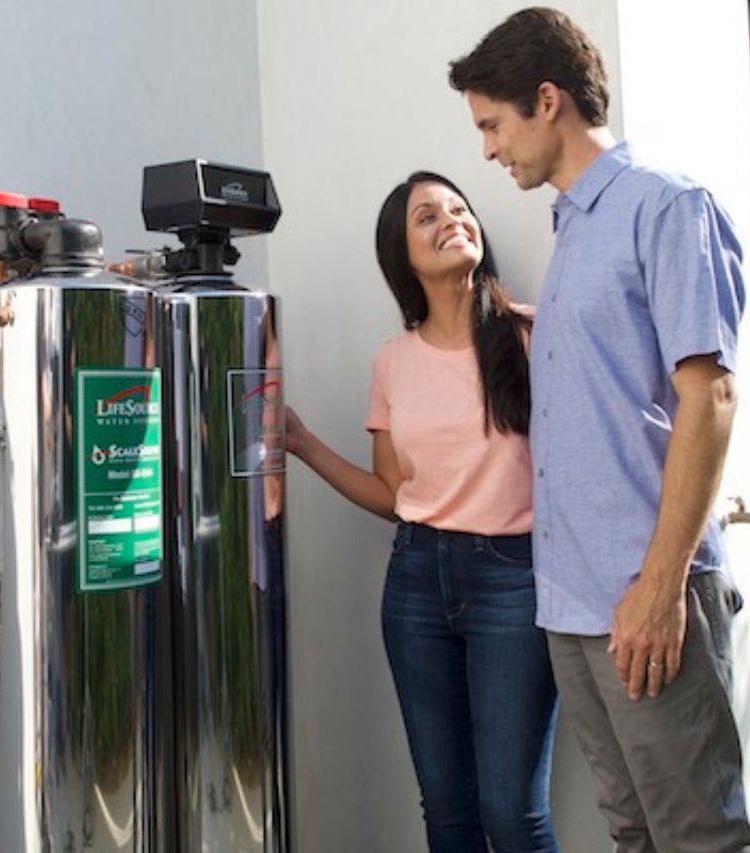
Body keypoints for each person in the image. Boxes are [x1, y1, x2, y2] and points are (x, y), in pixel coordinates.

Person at [448, 8, 750, 853]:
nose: (487, 150)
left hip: (647, 595)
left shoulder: (663, 205)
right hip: (575, 606)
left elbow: (712, 399)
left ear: (547, 101)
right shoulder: (573, 225)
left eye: (492, 125)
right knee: (633, 833)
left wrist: (659, 588)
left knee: (700, 836)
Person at [286, 171, 559, 852]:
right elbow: (392, 493)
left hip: (515, 581)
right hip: (415, 581)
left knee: (511, 813)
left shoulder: (531, 333)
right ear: (400, 254)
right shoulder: (393, 361)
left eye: (459, 209)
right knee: (446, 810)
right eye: (427, 216)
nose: (451, 220)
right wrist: (303, 443)